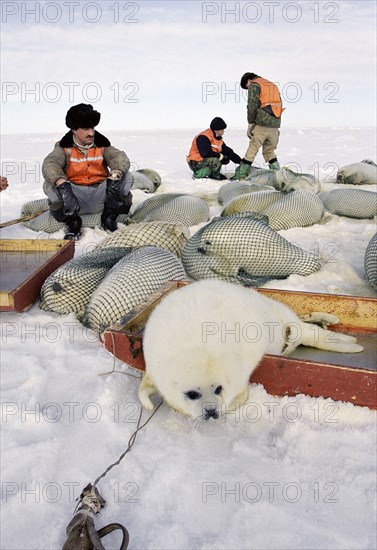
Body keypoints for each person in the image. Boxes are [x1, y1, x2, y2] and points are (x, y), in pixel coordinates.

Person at [42, 103, 133, 240]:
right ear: (74, 129)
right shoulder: (63, 147)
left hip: (101, 196)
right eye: (85, 128)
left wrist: (115, 173)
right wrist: (61, 182)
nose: (90, 133)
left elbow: (119, 157)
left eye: (92, 127)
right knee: (49, 184)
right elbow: (50, 163)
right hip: (75, 198)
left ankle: (109, 217)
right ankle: (72, 222)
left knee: (128, 177)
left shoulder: (102, 144)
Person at [233, 73, 284, 180]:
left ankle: (241, 175)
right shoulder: (272, 85)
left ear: (249, 80)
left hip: (262, 123)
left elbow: (252, 105)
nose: (248, 88)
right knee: (269, 151)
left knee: (253, 148)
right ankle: (279, 176)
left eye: (246, 86)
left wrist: (250, 123)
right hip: (275, 124)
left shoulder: (255, 85)